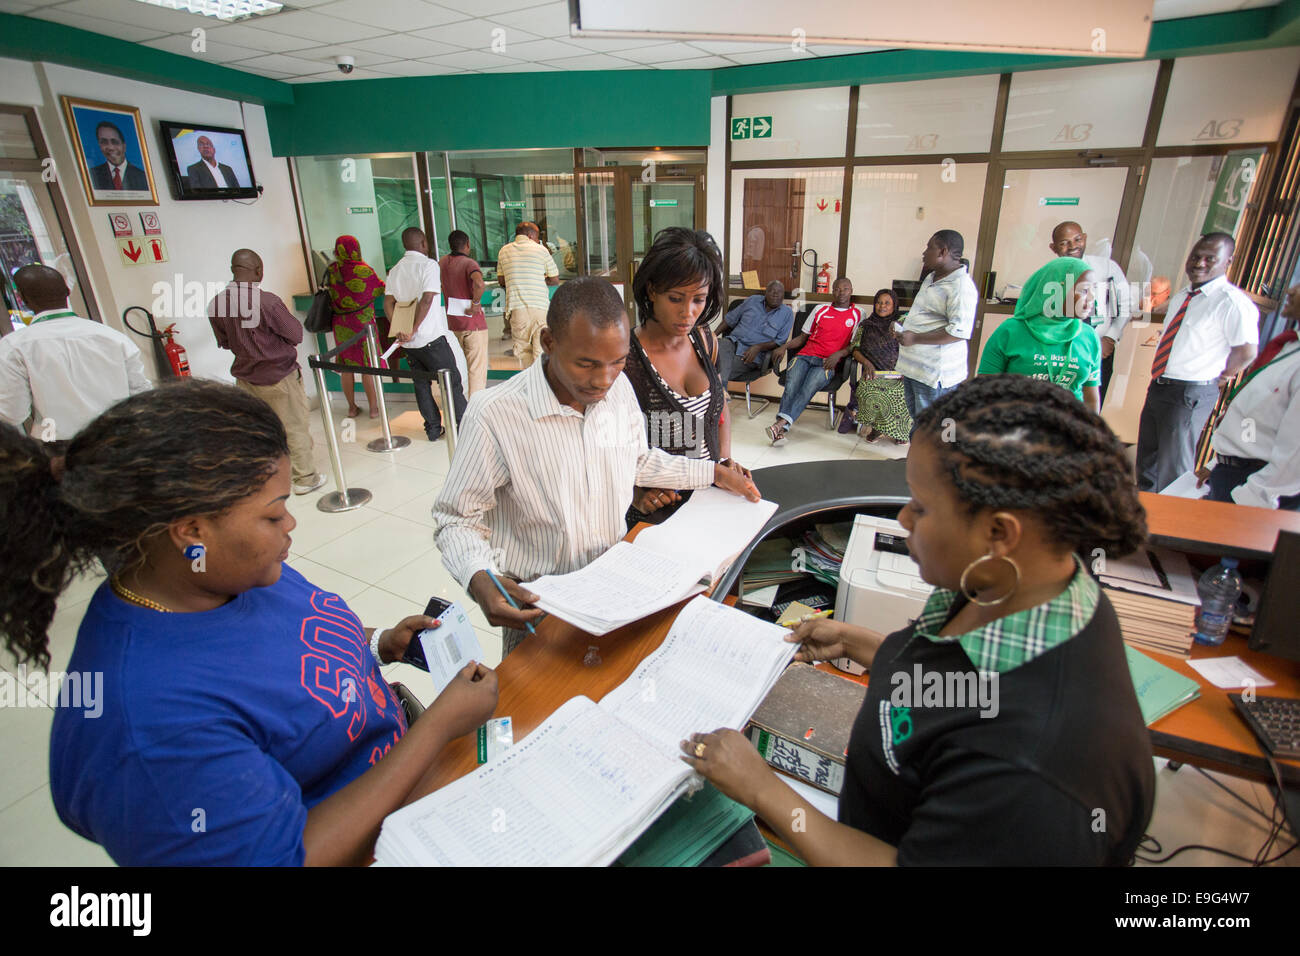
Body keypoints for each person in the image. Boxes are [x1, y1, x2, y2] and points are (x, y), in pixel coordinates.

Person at [0, 380, 498, 865]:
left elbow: (290, 644)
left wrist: (378, 644)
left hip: (412, 777)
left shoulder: (227, 571)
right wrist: (435, 729)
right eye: (273, 513)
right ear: (191, 531)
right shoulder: (145, 727)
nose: (291, 525)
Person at [682, 375, 1155, 866]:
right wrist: (859, 641)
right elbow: (963, 669)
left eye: (923, 507)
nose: (904, 519)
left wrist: (764, 791)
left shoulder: (1034, 775)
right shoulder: (1019, 585)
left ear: (999, 534)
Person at [432, 277, 760, 658]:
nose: (603, 380)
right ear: (549, 342)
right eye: (586, 364)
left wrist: (713, 473)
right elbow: (455, 518)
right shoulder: (495, 415)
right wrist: (480, 577)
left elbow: (637, 460)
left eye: (617, 363)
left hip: (615, 586)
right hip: (540, 607)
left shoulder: (618, 390)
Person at [623, 227, 750, 527]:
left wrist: (724, 462)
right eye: (676, 298)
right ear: (652, 290)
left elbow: (719, 411)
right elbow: (607, 446)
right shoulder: (626, 359)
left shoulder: (705, 340)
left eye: (699, 299)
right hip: (659, 513)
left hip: (708, 499)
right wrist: (636, 492)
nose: (688, 312)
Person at [1135, 233, 1259, 494]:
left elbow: (1247, 350)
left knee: (1173, 473)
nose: (1199, 263)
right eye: (1195, 257)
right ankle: (1145, 522)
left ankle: (1169, 532)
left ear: (1228, 262)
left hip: (1189, 392)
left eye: (1210, 259)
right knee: (1147, 466)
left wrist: (1222, 377)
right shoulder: (1183, 295)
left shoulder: (1231, 302)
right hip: (1160, 385)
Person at [208, 249, 325, 495]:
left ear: (234, 270)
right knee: (293, 426)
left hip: (245, 378)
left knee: (260, 430)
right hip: (279, 376)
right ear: (259, 270)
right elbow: (295, 335)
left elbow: (225, 341)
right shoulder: (268, 302)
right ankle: (305, 478)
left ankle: (270, 478)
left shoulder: (217, 303)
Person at [0, 264, 150, 442]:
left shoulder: (14, 347)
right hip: (118, 440)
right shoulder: (114, 337)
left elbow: (13, 414)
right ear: (67, 291)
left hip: (61, 447)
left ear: (22, 298)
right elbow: (142, 395)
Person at [1197, 282, 1300, 510]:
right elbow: (1254, 420)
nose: (1290, 291)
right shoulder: (1289, 347)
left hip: (1256, 494)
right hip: (1235, 476)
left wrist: (1247, 498)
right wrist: (1222, 461)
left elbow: (1295, 456)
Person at [978, 257, 1103, 413]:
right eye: (1084, 290)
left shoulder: (1089, 336)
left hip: (1068, 430)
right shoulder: (1010, 331)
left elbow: (1091, 398)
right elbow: (984, 392)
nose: (1092, 298)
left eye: (1094, 290)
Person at [384, 227, 467, 442]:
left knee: (421, 385)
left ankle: (432, 429)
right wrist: (414, 328)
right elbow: (428, 299)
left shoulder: (395, 270)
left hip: (409, 345)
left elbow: (388, 303)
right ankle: (463, 428)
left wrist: (400, 330)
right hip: (431, 339)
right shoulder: (428, 265)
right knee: (451, 382)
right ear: (423, 243)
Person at [894, 230, 979, 423]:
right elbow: (927, 314)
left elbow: (959, 332)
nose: (924, 253)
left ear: (943, 251)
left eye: (929, 247)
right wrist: (904, 323)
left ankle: (936, 454)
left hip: (934, 375)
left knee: (933, 430)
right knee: (920, 426)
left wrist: (915, 337)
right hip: (915, 369)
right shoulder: (932, 277)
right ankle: (917, 454)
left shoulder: (960, 286)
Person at [764, 277, 861, 445]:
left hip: (827, 361)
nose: (841, 292)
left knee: (807, 388)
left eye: (845, 289)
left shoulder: (858, 313)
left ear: (851, 291)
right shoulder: (820, 309)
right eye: (837, 289)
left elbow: (854, 345)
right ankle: (781, 428)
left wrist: (838, 354)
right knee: (791, 385)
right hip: (805, 356)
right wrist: (784, 346)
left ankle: (780, 425)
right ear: (833, 291)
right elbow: (802, 338)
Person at [1049, 221, 1132, 401]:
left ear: (1084, 238)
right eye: (1064, 243)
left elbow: (1126, 304)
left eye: (1077, 239)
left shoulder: (1107, 268)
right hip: (1060, 350)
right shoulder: (1050, 274)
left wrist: (1110, 337)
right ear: (1053, 247)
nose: (1072, 247)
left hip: (1100, 348)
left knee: (1090, 405)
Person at [323, 235, 384, 419]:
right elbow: (380, 288)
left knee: (346, 368)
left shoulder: (332, 270)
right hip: (363, 323)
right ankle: (373, 409)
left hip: (341, 324)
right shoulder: (363, 270)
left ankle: (351, 408)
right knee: (367, 365)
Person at [842, 288, 911, 444]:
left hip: (898, 374)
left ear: (895, 305)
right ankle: (877, 429)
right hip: (873, 373)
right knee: (869, 391)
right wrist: (867, 363)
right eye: (879, 303)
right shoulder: (866, 325)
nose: (882, 306)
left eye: (887, 303)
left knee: (902, 392)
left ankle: (900, 432)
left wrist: (906, 371)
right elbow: (854, 348)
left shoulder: (900, 325)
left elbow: (911, 346)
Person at [496, 220, 559, 366]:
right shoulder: (540, 250)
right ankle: (541, 385)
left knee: (524, 354)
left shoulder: (504, 251)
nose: (538, 240)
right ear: (531, 235)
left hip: (518, 311)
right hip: (540, 309)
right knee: (541, 352)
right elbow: (554, 279)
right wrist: (538, 279)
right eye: (537, 237)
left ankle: (530, 385)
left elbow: (501, 280)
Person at [714, 280, 794, 386]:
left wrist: (758, 347)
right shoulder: (753, 300)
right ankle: (721, 395)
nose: (775, 294)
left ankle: (719, 397)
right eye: (772, 291)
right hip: (732, 342)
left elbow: (779, 342)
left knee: (715, 367)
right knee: (721, 343)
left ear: (783, 295)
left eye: (779, 292)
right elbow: (730, 319)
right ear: (766, 293)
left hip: (751, 355)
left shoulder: (786, 313)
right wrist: (712, 336)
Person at [439, 229, 489, 396]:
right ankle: (474, 406)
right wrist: (475, 303)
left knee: (466, 364)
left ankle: (463, 400)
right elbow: (480, 284)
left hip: (455, 322)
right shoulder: (469, 264)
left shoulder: (443, 262)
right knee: (477, 369)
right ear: (467, 245)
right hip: (473, 323)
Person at [87, 121, 148, 191]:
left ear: (124, 146)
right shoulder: (91, 175)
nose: (110, 147)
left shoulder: (143, 177)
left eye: (115, 142)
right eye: (104, 142)